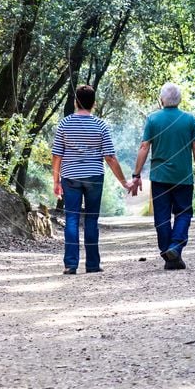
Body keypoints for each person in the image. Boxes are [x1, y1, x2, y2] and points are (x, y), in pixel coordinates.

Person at [52, 84, 130, 275]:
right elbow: (110, 157)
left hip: (70, 176)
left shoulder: (64, 124)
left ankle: (71, 264)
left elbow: (56, 156)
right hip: (94, 175)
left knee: (71, 219)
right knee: (91, 220)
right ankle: (93, 264)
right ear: (93, 103)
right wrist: (124, 181)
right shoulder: (101, 125)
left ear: (75, 102)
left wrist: (56, 180)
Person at [130, 82, 195, 270]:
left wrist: (136, 174)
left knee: (162, 217)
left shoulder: (153, 119)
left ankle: (168, 253)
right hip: (183, 177)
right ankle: (175, 248)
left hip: (160, 177)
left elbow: (144, 147)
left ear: (162, 99)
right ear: (179, 100)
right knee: (183, 213)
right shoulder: (189, 120)